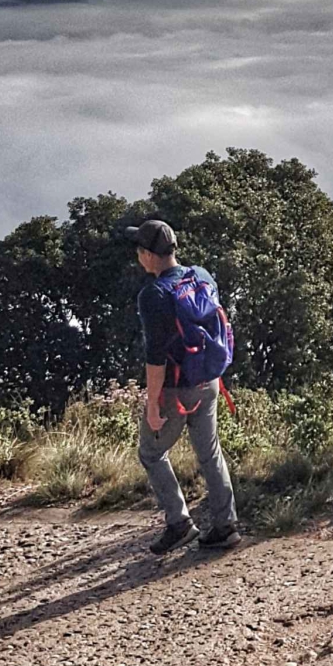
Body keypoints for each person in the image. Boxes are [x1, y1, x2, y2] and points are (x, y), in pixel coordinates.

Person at [127, 219, 242, 555]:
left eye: (139, 250)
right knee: (210, 452)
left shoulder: (153, 294)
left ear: (148, 255)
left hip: (177, 390)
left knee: (151, 452)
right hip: (208, 382)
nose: (137, 256)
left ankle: (179, 523)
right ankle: (226, 526)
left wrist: (152, 406)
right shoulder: (201, 275)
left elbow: (155, 357)